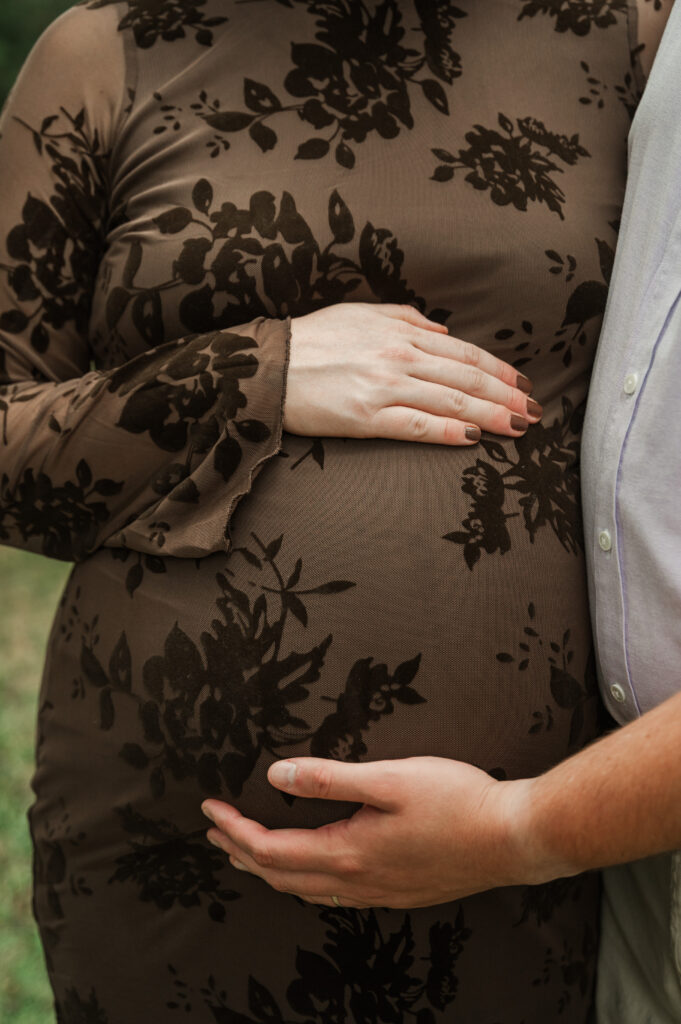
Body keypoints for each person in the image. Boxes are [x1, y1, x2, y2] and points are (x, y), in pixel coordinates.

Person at [0, 1, 647, 1021]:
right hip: (177, 860)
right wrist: (259, 372)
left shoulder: (627, 37)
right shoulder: (107, 52)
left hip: (527, 853)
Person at [202, 4, 681, 1023]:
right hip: (632, 860)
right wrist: (259, 373)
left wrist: (524, 826)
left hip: (570, 835)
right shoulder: (650, 30)